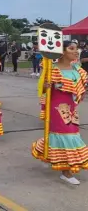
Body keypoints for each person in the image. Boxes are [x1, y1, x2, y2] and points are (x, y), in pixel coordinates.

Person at [32, 41, 88, 185]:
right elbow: (42, 90)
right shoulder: (52, 69)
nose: (76, 51)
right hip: (56, 107)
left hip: (71, 107)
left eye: (77, 49)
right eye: (72, 49)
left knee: (71, 133)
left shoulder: (79, 70)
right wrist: (45, 86)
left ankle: (46, 153)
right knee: (67, 135)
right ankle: (66, 172)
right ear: (62, 52)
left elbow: (82, 90)